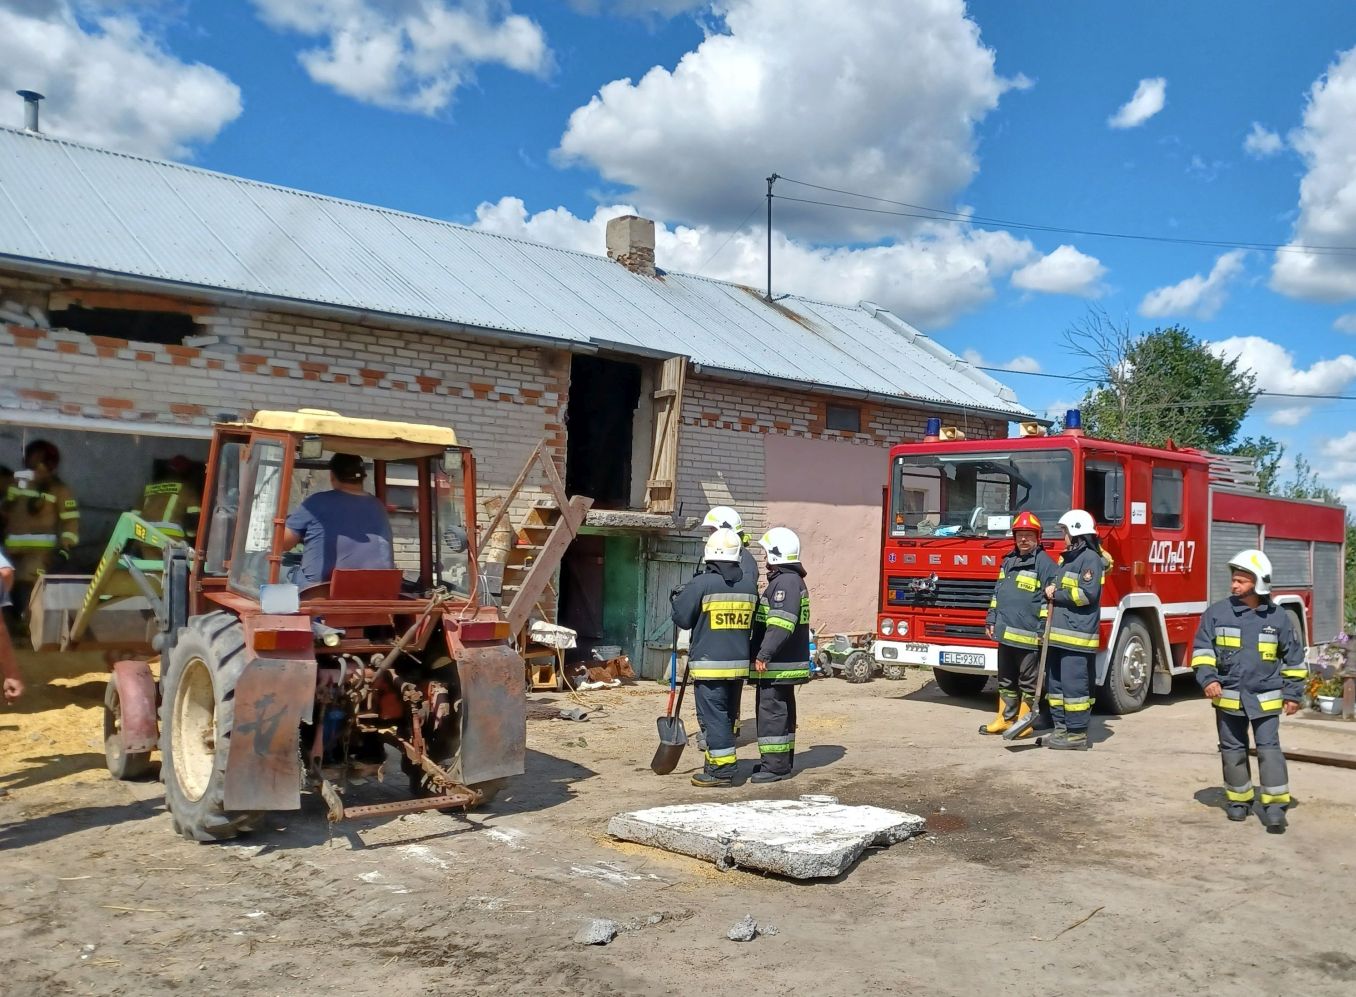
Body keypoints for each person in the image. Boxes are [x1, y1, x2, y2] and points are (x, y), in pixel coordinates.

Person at [1191, 549, 1304, 833]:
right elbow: (1202, 651)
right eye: (1234, 579)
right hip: (1227, 698)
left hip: (1265, 701)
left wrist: (1292, 694)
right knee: (1232, 750)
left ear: (1259, 583)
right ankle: (1238, 801)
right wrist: (1208, 679)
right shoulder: (1217, 613)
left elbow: (1293, 659)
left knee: (1269, 751)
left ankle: (1276, 807)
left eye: (1241, 580)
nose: (1234, 585)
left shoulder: (1278, 619)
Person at [670, 527, 757, 788]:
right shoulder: (749, 586)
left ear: (709, 555)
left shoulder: (702, 583)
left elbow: (682, 619)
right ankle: (717, 762)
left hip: (710, 666)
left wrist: (678, 598)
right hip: (739, 666)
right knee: (728, 716)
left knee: (714, 717)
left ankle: (721, 771)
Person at [981, 511, 1058, 737]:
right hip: (1005, 633)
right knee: (1004, 679)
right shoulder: (1008, 561)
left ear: (1038, 538)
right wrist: (991, 617)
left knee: (1028, 682)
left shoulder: (1045, 564)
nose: (1023, 539)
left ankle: (1025, 722)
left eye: (1028, 535)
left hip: (1029, 636)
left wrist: (1044, 626)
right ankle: (1004, 719)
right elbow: (998, 593)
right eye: (1019, 535)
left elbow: (1049, 599)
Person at [1040, 510, 1108, 751]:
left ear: (1076, 531)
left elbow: (1087, 594)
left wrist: (1056, 594)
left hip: (1076, 637)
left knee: (1074, 687)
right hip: (1059, 635)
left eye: (1064, 531)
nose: (1062, 536)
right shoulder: (1067, 558)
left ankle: (1077, 735)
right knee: (1056, 686)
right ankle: (1061, 730)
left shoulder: (1090, 559)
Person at [749, 527, 811, 783]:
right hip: (785, 663)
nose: (764, 558)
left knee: (772, 714)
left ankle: (774, 767)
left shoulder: (785, 583)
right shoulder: (791, 580)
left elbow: (781, 623)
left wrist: (764, 653)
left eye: (766, 553)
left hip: (777, 663)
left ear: (776, 554)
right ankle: (780, 763)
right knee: (783, 712)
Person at [281, 453, 393, 586]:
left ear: (332, 476)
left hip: (320, 590)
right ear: (363, 477)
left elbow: (283, 543)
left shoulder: (317, 503)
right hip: (376, 588)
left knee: (266, 567)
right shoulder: (378, 506)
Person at [2, 440, 78, 623]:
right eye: (31, 458)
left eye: (39, 460)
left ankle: (29, 632)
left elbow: (71, 521)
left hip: (38, 554)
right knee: (6, 589)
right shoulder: (17, 484)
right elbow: (6, 512)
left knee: (30, 590)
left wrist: (65, 548)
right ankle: (11, 628)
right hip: (11, 552)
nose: (33, 464)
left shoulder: (59, 490)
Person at [136, 455, 202, 555]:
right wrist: (192, 542)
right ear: (186, 473)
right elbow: (193, 520)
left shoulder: (149, 489)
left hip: (145, 538)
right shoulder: (187, 489)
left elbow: (135, 514)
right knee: (169, 569)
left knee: (149, 569)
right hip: (172, 541)